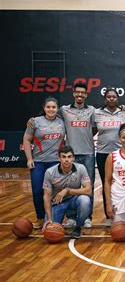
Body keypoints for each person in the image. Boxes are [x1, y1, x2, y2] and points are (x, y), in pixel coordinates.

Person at [57, 83, 96, 229]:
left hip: (88, 153)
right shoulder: (64, 110)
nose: (80, 95)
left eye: (83, 93)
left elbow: (95, 128)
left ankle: (87, 217)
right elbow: (51, 115)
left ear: (86, 95)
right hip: (70, 155)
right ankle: (72, 217)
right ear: (73, 93)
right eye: (77, 92)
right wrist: (34, 120)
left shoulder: (91, 110)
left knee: (88, 185)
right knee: (70, 185)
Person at [23, 97, 66, 229]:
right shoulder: (35, 121)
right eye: (48, 107)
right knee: (37, 191)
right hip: (39, 162)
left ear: (57, 108)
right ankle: (41, 218)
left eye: (53, 107)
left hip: (55, 162)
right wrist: (29, 159)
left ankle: (54, 218)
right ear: (44, 108)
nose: (51, 109)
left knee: (55, 192)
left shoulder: (62, 122)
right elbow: (26, 140)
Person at [94, 88, 125, 226]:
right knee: (106, 184)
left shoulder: (124, 112)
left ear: (117, 98)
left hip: (120, 154)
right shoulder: (97, 113)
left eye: (114, 96)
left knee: (120, 184)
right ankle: (109, 216)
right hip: (103, 153)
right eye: (109, 96)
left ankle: (123, 214)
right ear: (105, 98)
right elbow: (93, 130)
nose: (111, 98)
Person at [43, 146, 91, 238]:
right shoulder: (50, 172)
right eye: (63, 157)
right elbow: (46, 196)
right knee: (49, 231)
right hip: (57, 202)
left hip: (74, 200)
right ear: (59, 158)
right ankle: (52, 220)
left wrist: (67, 190)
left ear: (73, 158)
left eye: (69, 157)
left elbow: (88, 191)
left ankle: (78, 227)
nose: (66, 160)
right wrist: (49, 218)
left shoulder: (81, 168)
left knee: (85, 200)